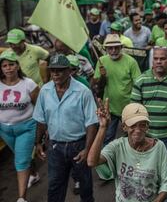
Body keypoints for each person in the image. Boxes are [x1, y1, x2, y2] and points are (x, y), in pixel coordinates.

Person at [33, 54, 98, 202]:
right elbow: (40, 120)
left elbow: (91, 123)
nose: (55, 74)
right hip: (55, 146)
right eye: (52, 70)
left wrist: (87, 149)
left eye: (60, 70)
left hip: (78, 145)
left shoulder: (83, 91)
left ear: (69, 71)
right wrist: (38, 143)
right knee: (55, 187)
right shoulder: (45, 91)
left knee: (85, 186)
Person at [87, 101, 167, 202]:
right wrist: (103, 127)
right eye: (133, 125)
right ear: (124, 127)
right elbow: (92, 161)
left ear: (147, 127)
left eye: (142, 125)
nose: (138, 130)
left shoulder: (158, 147)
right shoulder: (118, 146)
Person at [131, 47, 167, 171]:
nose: (159, 61)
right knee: (148, 171)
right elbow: (134, 111)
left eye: (163, 58)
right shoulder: (141, 80)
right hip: (147, 137)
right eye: (156, 59)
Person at [0, 50, 40, 202]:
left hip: (26, 127)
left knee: (21, 160)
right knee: (21, 156)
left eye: (11, 64)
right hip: (5, 130)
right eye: (4, 66)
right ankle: (34, 174)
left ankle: (21, 198)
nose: (8, 68)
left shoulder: (28, 84)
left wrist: (43, 127)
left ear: (17, 66)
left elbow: (40, 105)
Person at [93, 34, 141, 145]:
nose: (113, 50)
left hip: (128, 107)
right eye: (110, 48)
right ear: (106, 49)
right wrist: (102, 76)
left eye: (116, 47)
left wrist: (136, 105)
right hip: (110, 108)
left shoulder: (131, 62)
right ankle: (108, 160)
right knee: (108, 138)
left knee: (132, 136)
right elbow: (96, 86)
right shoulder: (101, 61)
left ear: (121, 48)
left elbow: (138, 84)